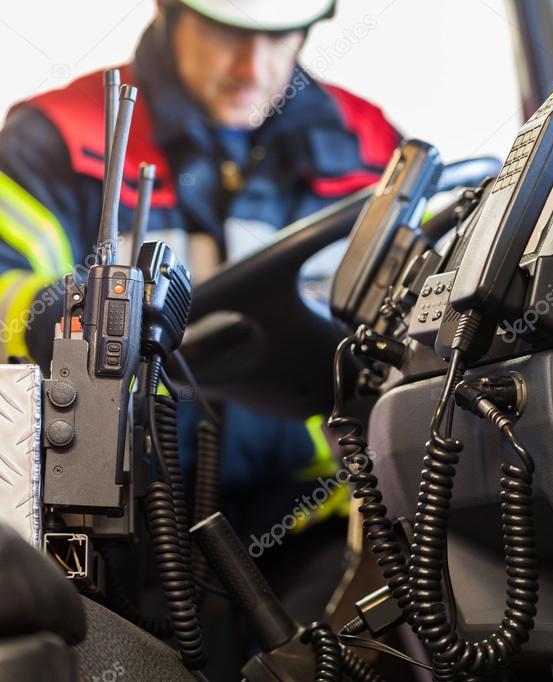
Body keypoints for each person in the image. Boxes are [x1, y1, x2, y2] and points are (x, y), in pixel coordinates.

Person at [0, 0, 399, 611]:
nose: (253, 69)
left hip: (313, 519)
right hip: (118, 525)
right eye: (228, 35)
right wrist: (72, 323)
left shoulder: (370, 149)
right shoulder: (58, 138)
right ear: (169, 12)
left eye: (281, 38)